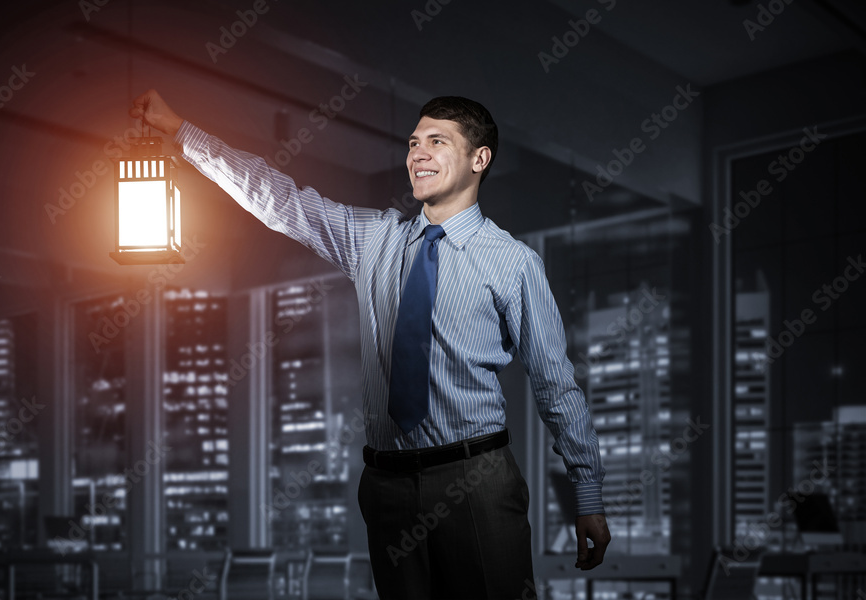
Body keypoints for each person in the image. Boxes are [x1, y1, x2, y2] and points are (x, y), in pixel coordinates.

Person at [130, 89, 610, 599]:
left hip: (477, 481)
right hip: (387, 488)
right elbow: (280, 199)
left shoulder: (513, 263)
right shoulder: (374, 241)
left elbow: (556, 385)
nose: (417, 153)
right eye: (413, 142)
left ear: (479, 158)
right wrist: (182, 132)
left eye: (437, 141)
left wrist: (588, 493)